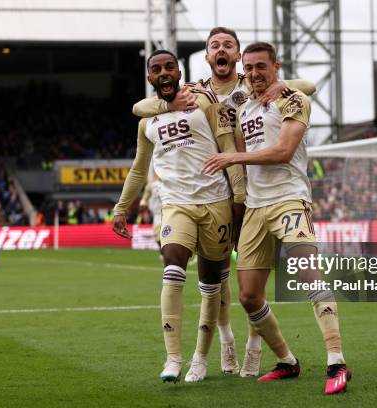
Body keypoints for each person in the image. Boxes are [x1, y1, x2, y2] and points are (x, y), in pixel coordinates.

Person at [132, 26, 317, 378]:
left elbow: (307, 87)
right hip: (217, 190)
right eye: (214, 45)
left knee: (254, 280)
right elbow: (139, 107)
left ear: (236, 56)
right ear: (206, 56)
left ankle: (254, 345)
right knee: (221, 275)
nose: (221, 49)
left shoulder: (253, 83)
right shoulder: (195, 92)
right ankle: (226, 338)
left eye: (228, 45)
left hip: (258, 190)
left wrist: (284, 86)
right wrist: (168, 103)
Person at [203, 42, 351, 394]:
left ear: (276, 66)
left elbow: (284, 152)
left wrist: (234, 159)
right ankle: (287, 360)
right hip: (255, 207)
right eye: (249, 68)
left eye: (261, 67)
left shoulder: (293, 99)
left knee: (308, 275)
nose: (254, 74)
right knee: (249, 297)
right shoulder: (242, 106)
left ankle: (336, 360)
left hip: (288, 200)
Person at [112, 49, 246, 383]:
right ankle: (173, 358)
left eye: (169, 67)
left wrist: (239, 198)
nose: (164, 72)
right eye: (156, 69)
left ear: (179, 71)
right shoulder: (147, 122)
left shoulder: (204, 103)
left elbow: (229, 150)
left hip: (216, 201)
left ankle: (202, 357)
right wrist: (121, 207)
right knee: (172, 265)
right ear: (150, 78)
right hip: (177, 204)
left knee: (211, 283)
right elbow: (139, 169)